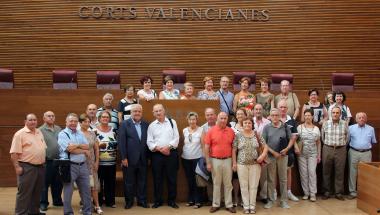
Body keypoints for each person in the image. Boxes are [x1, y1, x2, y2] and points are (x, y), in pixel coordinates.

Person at [10, 113, 46, 215]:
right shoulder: (19, 134)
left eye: (34, 120)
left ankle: (34, 212)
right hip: (27, 167)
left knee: (37, 192)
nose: (33, 122)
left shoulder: (39, 132)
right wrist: (17, 167)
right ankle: (21, 213)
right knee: (24, 193)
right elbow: (13, 153)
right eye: (30, 120)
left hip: (40, 167)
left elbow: (42, 148)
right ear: (25, 121)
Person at [147, 104, 180, 208]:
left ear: (164, 111)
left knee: (172, 178)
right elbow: (149, 141)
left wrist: (168, 147)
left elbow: (176, 137)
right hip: (157, 155)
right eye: (156, 111)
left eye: (160, 110)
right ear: (153, 113)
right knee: (157, 179)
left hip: (171, 154)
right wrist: (159, 149)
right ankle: (158, 201)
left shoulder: (172, 122)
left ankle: (172, 201)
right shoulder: (151, 125)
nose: (158, 113)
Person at [232, 118, 268, 214]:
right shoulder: (238, 135)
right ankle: (246, 206)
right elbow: (234, 150)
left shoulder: (257, 134)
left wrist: (263, 155)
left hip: (255, 165)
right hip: (241, 165)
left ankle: (252, 206)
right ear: (242, 124)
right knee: (243, 186)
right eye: (245, 122)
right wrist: (234, 163)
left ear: (252, 124)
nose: (247, 124)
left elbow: (265, 147)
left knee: (253, 186)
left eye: (249, 123)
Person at [58, 113, 91, 215]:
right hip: (69, 166)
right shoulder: (63, 134)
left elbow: (87, 146)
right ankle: (68, 212)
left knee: (86, 190)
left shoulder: (80, 133)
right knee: (68, 191)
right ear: (66, 122)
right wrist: (83, 151)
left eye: (75, 121)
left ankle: (87, 211)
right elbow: (70, 150)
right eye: (71, 121)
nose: (73, 123)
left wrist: (77, 145)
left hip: (83, 165)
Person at [262, 108, 295, 209]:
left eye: (277, 115)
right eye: (273, 115)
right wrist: (273, 152)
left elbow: (292, 139)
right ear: (270, 117)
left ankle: (283, 201)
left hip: (283, 156)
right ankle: (271, 200)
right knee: (271, 179)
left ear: (280, 116)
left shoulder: (285, 126)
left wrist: (287, 148)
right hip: (271, 157)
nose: (275, 117)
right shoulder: (267, 127)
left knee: (283, 179)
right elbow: (263, 142)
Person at [118, 104, 150, 209]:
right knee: (129, 182)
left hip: (143, 159)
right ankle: (129, 202)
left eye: (139, 111)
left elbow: (148, 142)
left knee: (142, 182)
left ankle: (142, 201)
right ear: (131, 113)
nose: (137, 113)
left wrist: (148, 157)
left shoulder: (146, 124)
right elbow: (121, 143)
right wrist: (123, 158)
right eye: (135, 111)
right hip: (129, 159)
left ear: (142, 112)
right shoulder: (124, 124)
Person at [204, 112, 236, 213]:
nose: (223, 120)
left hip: (228, 160)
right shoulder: (211, 131)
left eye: (225, 118)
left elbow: (233, 148)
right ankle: (216, 204)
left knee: (228, 184)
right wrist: (208, 162)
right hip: (215, 160)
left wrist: (234, 162)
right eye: (221, 118)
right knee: (216, 183)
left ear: (227, 119)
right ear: (217, 119)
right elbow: (206, 147)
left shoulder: (231, 131)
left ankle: (229, 204)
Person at [321, 106, 349, 201]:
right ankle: (326, 192)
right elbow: (322, 137)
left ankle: (339, 193)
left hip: (341, 149)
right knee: (326, 171)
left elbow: (347, 137)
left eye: (337, 113)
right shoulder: (325, 124)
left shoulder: (344, 124)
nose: (335, 114)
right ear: (330, 113)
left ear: (340, 114)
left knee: (340, 171)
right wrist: (328, 145)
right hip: (327, 148)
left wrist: (342, 145)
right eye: (333, 113)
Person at [347, 112, 377, 199]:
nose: (361, 119)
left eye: (363, 117)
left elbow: (373, 141)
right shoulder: (350, 128)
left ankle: (364, 192)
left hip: (366, 153)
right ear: (356, 119)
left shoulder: (371, 129)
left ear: (366, 119)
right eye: (359, 118)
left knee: (366, 173)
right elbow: (347, 140)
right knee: (352, 173)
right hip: (353, 152)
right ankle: (352, 192)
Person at [79, 114, 103, 214]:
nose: (87, 123)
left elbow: (96, 148)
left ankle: (97, 205)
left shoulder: (93, 133)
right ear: (80, 123)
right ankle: (85, 205)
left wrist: (97, 161)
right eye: (85, 121)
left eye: (89, 122)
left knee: (94, 186)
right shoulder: (76, 134)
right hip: (81, 162)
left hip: (91, 163)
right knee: (83, 186)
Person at [39, 111, 63, 212]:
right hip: (46, 161)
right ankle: (43, 203)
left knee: (58, 182)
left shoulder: (58, 128)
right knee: (44, 183)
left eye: (53, 116)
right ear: (44, 118)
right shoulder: (40, 130)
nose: (51, 117)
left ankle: (57, 200)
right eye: (49, 116)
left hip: (58, 160)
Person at [93, 111, 118, 208]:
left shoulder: (114, 130)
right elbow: (92, 146)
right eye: (103, 117)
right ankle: (98, 201)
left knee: (110, 182)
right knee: (98, 183)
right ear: (99, 118)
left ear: (109, 119)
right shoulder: (94, 131)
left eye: (107, 117)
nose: (105, 118)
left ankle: (110, 201)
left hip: (111, 161)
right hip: (99, 162)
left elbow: (117, 143)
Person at [296, 109, 321, 202]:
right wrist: (297, 149)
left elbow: (318, 143)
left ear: (312, 116)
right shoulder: (299, 127)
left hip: (313, 154)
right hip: (301, 154)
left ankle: (313, 193)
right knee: (303, 174)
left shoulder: (316, 128)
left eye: (309, 115)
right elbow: (294, 140)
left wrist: (319, 155)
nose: (307, 117)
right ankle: (306, 193)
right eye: (305, 115)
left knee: (312, 173)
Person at [277, 99, 299, 202]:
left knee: (288, 171)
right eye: (281, 107)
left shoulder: (292, 121)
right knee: (274, 172)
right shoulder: (273, 119)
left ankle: (288, 192)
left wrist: (290, 147)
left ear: (287, 108)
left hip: (288, 150)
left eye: (284, 107)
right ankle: (274, 193)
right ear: (278, 108)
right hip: (275, 151)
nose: (282, 109)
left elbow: (294, 137)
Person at [182, 112, 203, 208]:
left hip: (197, 158)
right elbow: (184, 143)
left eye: (194, 119)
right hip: (186, 158)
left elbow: (203, 145)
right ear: (188, 120)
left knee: (197, 180)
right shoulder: (184, 130)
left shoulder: (201, 130)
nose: (192, 121)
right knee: (190, 180)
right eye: (190, 119)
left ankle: (198, 201)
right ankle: (191, 200)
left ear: (196, 120)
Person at [229, 108, 248, 207]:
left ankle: (243, 198)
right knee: (235, 178)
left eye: (241, 114)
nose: (240, 116)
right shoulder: (231, 126)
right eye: (238, 114)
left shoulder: (248, 125)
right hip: (235, 154)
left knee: (244, 178)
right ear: (236, 116)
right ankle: (236, 197)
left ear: (245, 115)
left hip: (246, 154)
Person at [253, 104, 271, 203]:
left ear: (263, 110)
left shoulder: (268, 122)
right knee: (253, 175)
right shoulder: (250, 122)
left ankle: (264, 196)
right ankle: (253, 196)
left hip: (265, 152)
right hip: (253, 152)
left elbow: (269, 138)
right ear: (253, 111)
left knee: (264, 176)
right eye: (256, 109)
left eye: (260, 109)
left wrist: (264, 152)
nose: (258, 111)